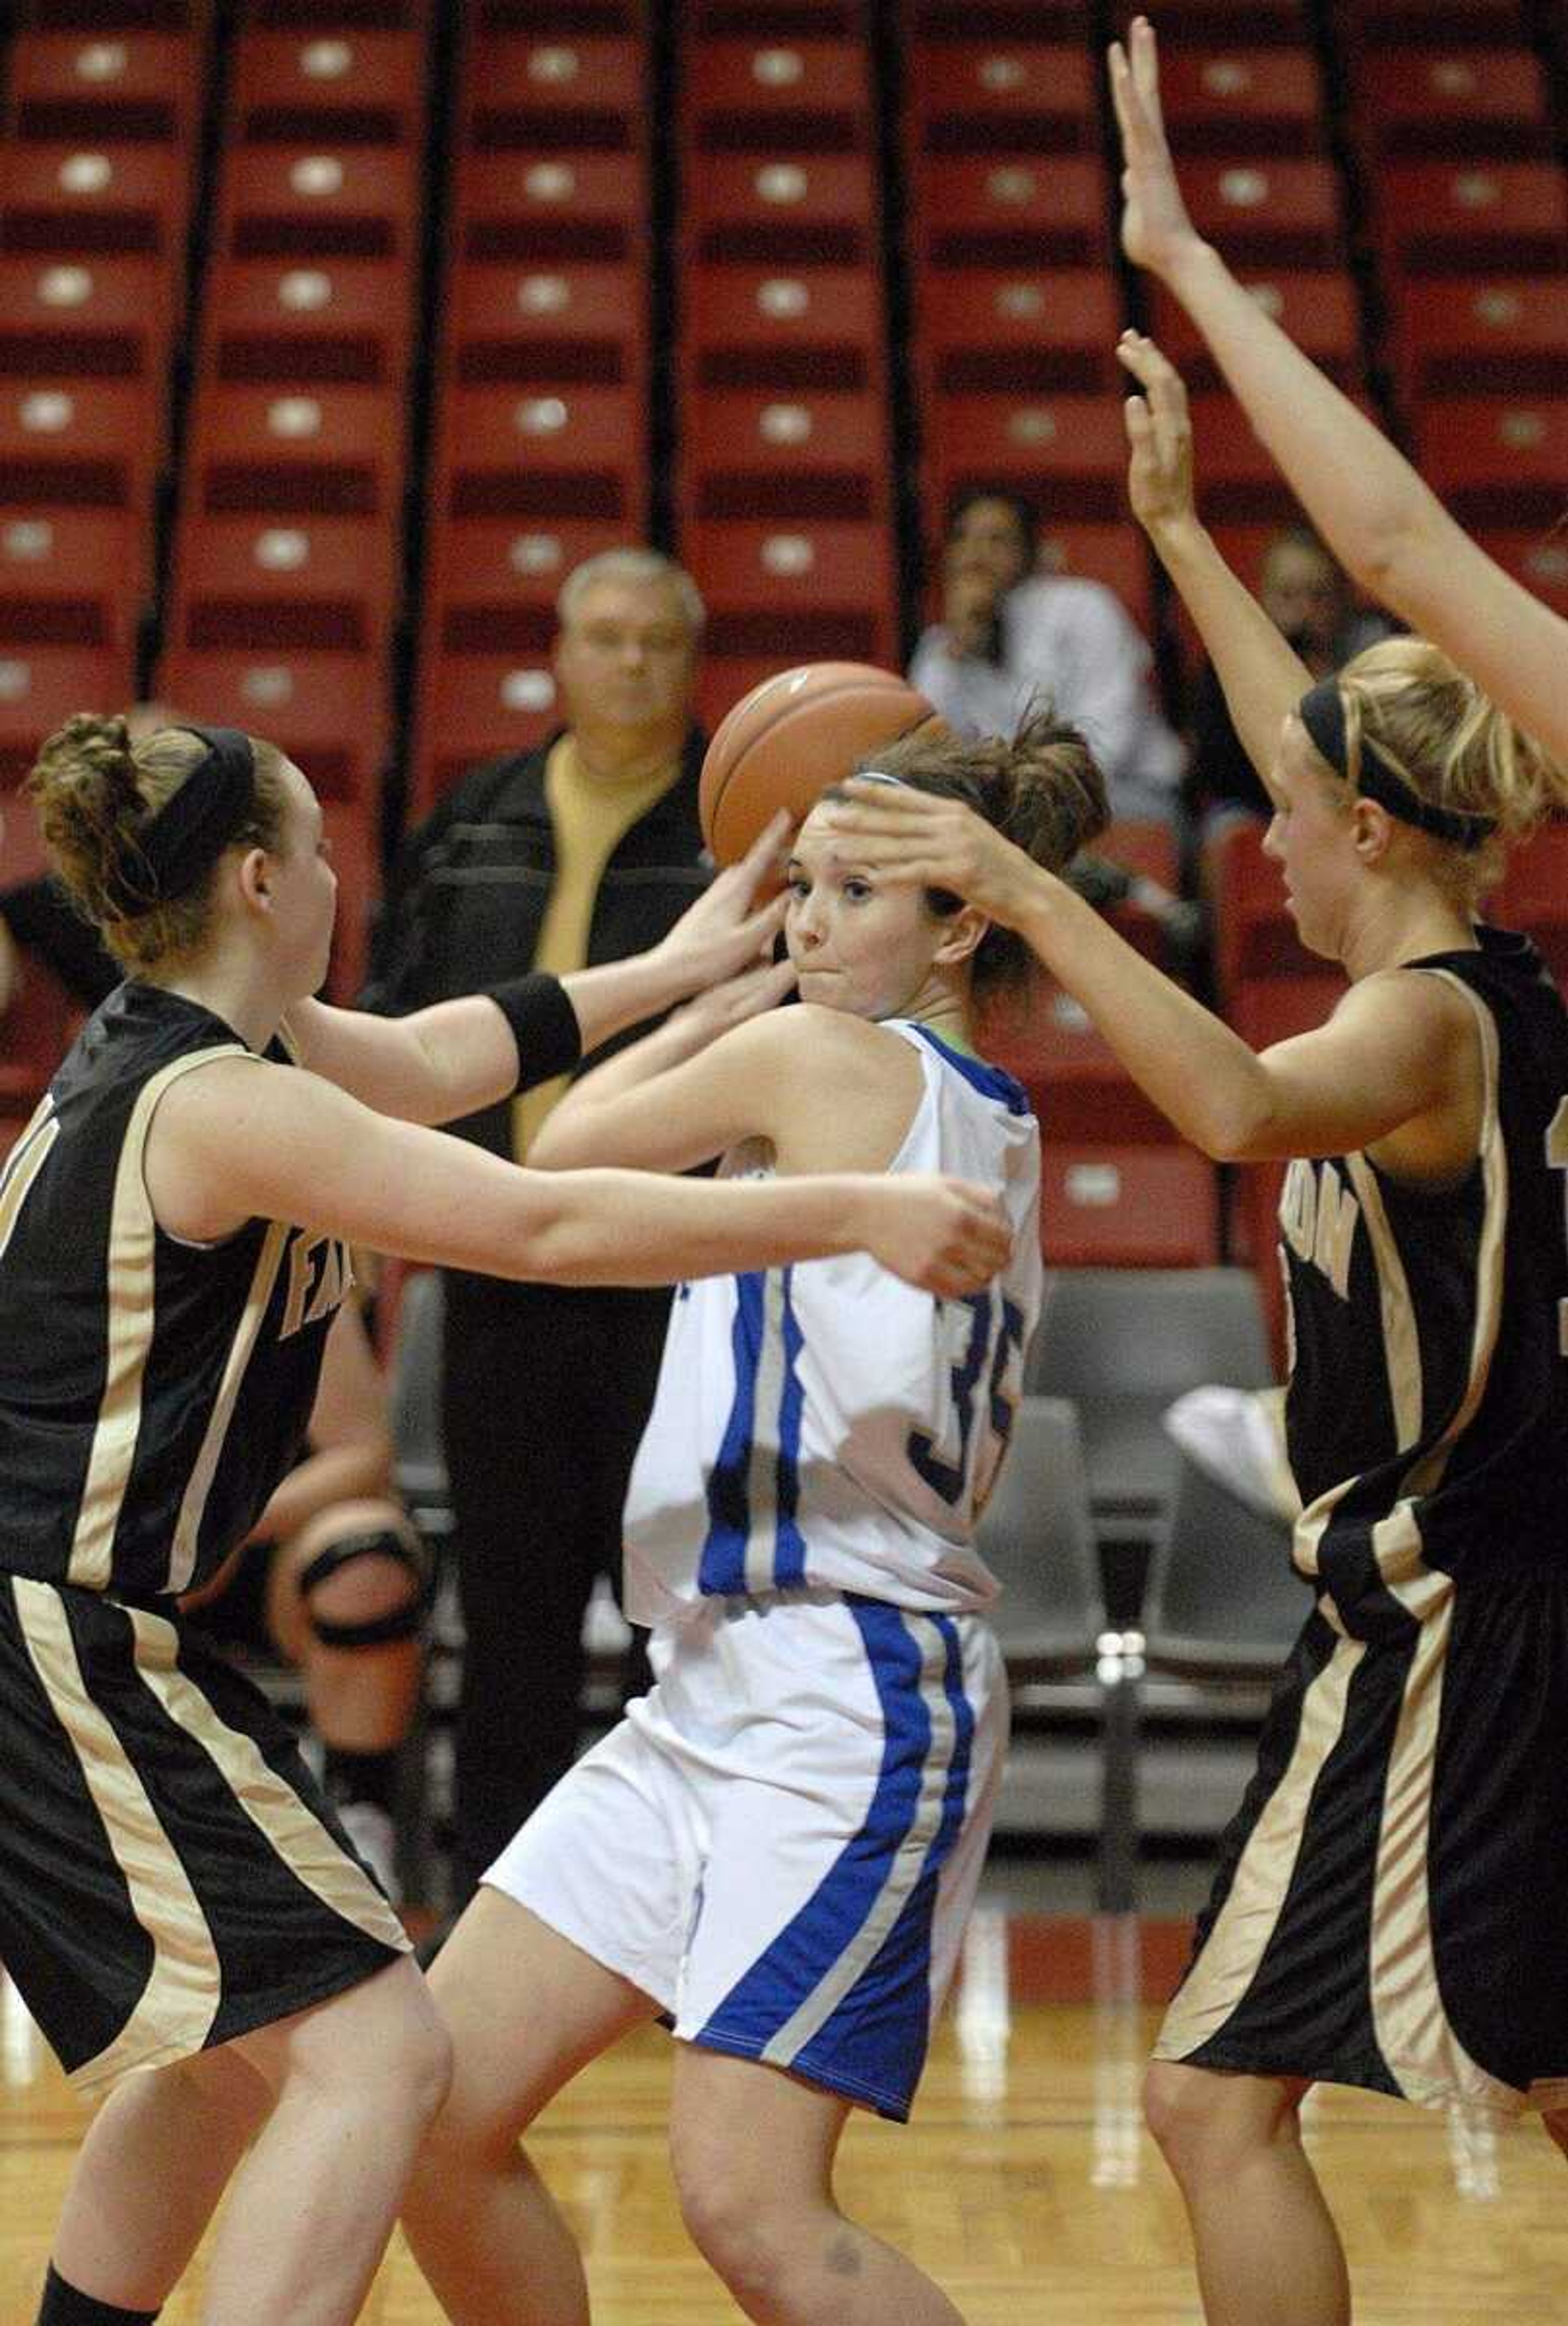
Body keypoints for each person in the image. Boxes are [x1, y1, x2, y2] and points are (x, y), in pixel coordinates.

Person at [2, 710, 1009, 2326]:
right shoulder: (219, 1099)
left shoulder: (204, 1042)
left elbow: (446, 1058)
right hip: (58, 1629)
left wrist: (680, 967)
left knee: (238, 2056)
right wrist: (856, 1204)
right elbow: (539, 1217)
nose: (345, 872)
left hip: (95, 1629)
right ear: (263, 881)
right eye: (324, 847)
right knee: (379, 2051)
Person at [822, 306, 1568, 2326]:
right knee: (1488, 2067)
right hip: (1479, 1601)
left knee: (1213, 2090)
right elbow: (1294, 732)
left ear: (1381, 840)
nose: (1264, 834)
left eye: (1298, 818)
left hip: (1446, 1615)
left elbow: (1232, 1107)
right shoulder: (1468, 980)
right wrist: (1179, 534)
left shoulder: (1420, 1023)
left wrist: (1031, 884)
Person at [399, 707, 1107, 2326]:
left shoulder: (824, 1055)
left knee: (751, 2200)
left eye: (857, 890)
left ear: (964, 918)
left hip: (851, 1689)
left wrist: (715, 994)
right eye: (803, 886)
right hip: (717, 1681)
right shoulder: (966, 1099)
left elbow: (560, 1151)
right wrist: (749, 995)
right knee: (436, 2107)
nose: (809, 922)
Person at [363, 545, 719, 1921]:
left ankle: (667, 1900)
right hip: (496, 1260)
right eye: (607, 638)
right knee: (512, 1608)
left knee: (670, 1613)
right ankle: (500, 1903)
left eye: (656, 642)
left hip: (666, 1268)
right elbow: (401, 1024)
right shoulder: (472, 819)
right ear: (560, 655)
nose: (630, 663)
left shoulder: (732, 830)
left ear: (690, 665)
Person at [178, 1288, 426, 1902]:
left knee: (367, 1557)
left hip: (272, 1534)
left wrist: (229, 1522)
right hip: (124, 1536)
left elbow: (365, 1452)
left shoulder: (286, 1266)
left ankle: (360, 1815)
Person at [909, 484, 1187, 825]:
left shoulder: (1085, 607)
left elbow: (1110, 741)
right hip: (1007, 809)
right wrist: (960, 652)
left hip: (1120, 794)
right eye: (962, 539)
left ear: (1032, 554)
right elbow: (924, 755)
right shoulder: (940, 646)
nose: (975, 555)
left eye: (997, 540)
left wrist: (1024, 798)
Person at [1187, 525, 1394, 832]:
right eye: (1288, 595)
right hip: (1256, 806)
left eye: (1319, 596)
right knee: (1229, 829)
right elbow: (1217, 771)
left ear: (1345, 598)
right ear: (1262, 597)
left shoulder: (1379, 656)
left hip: (1357, 808)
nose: (1304, 611)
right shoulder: (1229, 661)